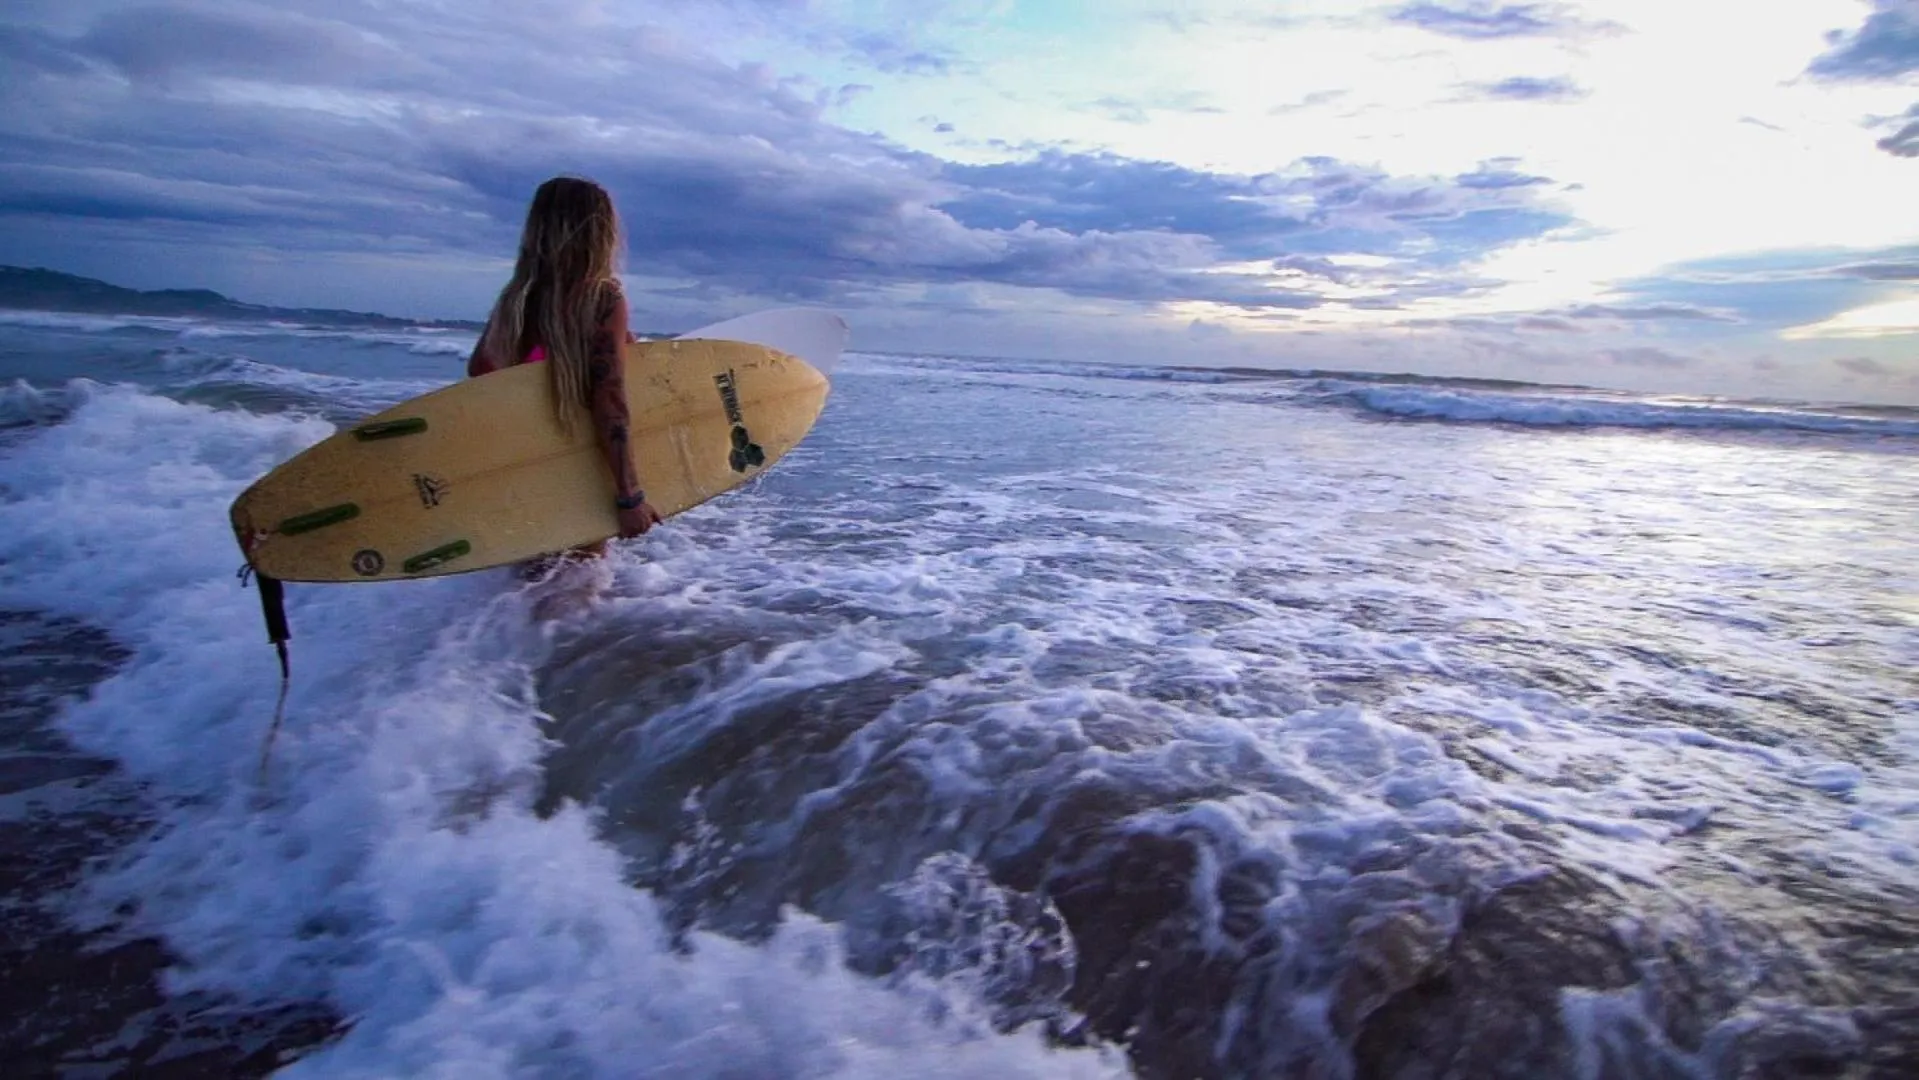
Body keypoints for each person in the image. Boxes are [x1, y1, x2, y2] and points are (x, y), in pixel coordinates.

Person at [466, 176, 663, 573]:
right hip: (576, 468)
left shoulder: (516, 298)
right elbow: (609, 401)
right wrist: (628, 496)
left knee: (529, 588)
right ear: (599, 231)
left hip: (520, 469)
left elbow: (480, 375)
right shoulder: (603, 298)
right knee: (574, 595)